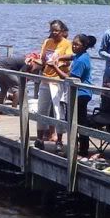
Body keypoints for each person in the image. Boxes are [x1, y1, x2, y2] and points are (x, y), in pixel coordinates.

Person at [50, 33, 96, 158]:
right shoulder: (81, 55)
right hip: (81, 93)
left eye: (77, 44)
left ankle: (80, 151)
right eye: (73, 44)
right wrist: (59, 58)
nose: (74, 46)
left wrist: (55, 67)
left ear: (84, 46)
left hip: (80, 94)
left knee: (77, 123)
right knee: (79, 121)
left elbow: (71, 78)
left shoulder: (81, 61)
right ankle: (78, 149)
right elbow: (71, 56)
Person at [35, 19, 72, 151]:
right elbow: (42, 60)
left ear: (62, 31)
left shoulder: (67, 43)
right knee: (42, 109)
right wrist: (33, 60)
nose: (54, 33)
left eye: (57, 30)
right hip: (45, 79)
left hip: (58, 81)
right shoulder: (47, 42)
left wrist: (58, 61)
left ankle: (60, 140)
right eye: (52, 30)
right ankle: (39, 139)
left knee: (58, 111)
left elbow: (70, 58)